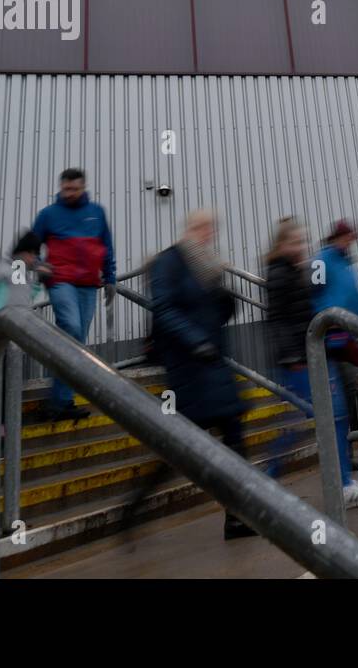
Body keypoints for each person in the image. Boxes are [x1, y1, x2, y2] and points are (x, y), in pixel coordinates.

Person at [145, 210, 255, 539]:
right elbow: (163, 308)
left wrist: (225, 293)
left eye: (212, 229)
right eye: (203, 228)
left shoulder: (207, 265)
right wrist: (195, 342)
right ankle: (134, 507)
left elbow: (220, 315)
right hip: (189, 366)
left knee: (234, 438)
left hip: (214, 365)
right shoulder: (170, 261)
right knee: (180, 449)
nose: (208, 234)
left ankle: (237, 517)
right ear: (189, 228)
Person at [268, 217, 358, 508]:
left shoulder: (297, 270)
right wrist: (294, 356)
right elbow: (279, 320)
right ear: (281, 244)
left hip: (316, 352)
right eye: (295, 241)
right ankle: (267, 480)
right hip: (301, 358)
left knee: (337, 415)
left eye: (303, 240)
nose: (301, 246)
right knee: (305, 424)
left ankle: (342, 481)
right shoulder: (281, 274)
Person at [31, 168, 116, 420]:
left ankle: (61, 401)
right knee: (71, 328)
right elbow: (30, 248)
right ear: (61, 187)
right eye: (66, 189)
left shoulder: (96, 212)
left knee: (75, 343)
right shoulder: (48, 215)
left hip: (89, 284)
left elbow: (107, 247)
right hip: (60, 281)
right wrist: (38, 265)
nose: (69, 193)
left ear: (83, 187)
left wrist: (110, 278)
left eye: (74, 189)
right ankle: (60, 399)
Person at [312, 219, 358, 472]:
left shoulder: (349, 266)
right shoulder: (322, 259)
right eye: (347, 236)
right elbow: (312, 291)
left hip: (347, 337)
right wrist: (324, 320)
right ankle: (338, 455)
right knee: (338, 400)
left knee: (350, 394)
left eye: (352, 237)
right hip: (330, 338)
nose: (350, 241)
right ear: (336, 237)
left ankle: (343, 453)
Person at [0, 231, 49, 311]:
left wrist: (39, 281)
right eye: (32, 254)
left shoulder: (22, 274)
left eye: (35, 255)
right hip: (1, 322)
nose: (34, 259)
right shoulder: (3, 269)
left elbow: (23, 299)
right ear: (22, 252)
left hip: (17, 322)